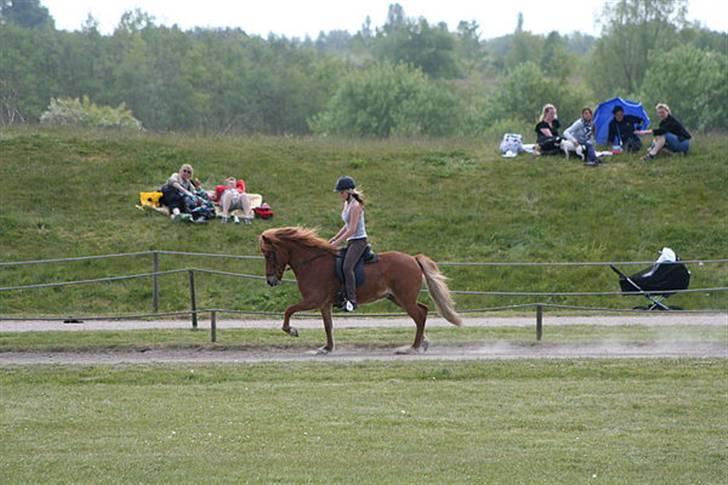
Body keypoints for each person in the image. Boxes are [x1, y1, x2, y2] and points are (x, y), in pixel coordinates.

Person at [328, 176, 368, 312]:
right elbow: (346, 226)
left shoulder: (356, 206)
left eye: (341, 192)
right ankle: (341, 296)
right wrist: (333, 238)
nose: (340, 195)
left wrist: (337, 243)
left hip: (359, 241)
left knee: (347, 267)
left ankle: (352, 300)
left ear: (349, 191)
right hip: (351, 241)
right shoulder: (347, 204)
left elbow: (352, 229)